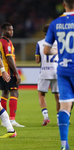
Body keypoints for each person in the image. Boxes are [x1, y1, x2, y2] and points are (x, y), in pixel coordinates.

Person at [44, 0, 74, 149]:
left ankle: (64, 145)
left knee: (65, 107)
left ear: (64, 4)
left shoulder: (55, 23)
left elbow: (46, 51)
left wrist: (57, 51)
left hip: (63, 69)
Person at [0, 22, 24, 127]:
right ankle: (11, 120)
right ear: (3, 31)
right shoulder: (7, 42)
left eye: (12, 30)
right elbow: (9, 58)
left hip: (0, 72)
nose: (11, 32)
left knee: (4, 94)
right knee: (14, 92)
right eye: (9, 30)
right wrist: (16, 73)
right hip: (8, 72)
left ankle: (4, 121)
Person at [35, 24, 60, 126]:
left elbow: (37, 60)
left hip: (44, 72)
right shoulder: (59, 43)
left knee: (41, 95)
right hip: (57, 71)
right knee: (58, 96)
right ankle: (59, 119)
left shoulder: (40, 43)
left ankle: (45, 116)